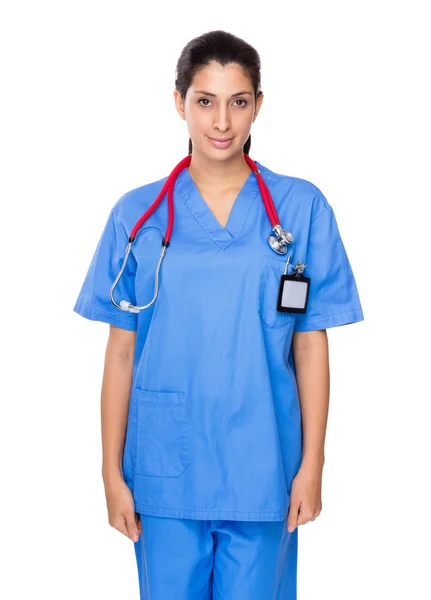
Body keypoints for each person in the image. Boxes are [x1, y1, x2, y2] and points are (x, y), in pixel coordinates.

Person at [73, 29, 364, 600]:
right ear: (179, 102)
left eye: (239, 101)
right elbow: (122, 350)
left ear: (259, 104)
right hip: (163, 467)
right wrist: (110, 471)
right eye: (205, 101)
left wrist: (313, 464)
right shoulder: (136, 214)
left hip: (264, 465)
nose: (222, 122)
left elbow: (310, 344)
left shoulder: (300, 208)